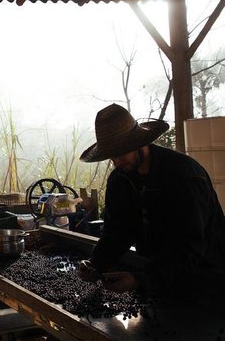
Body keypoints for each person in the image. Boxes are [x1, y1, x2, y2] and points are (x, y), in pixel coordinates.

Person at [76, 104, 225, 298]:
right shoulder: (120, 179)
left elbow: (189, 248)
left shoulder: (183, 176)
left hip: (206, 276)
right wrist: (95, 263)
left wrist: (141, 279)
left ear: (138, 143)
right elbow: (117, 232)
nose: (116, 162)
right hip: (157, 273)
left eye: (121, 152)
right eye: (111, 156)